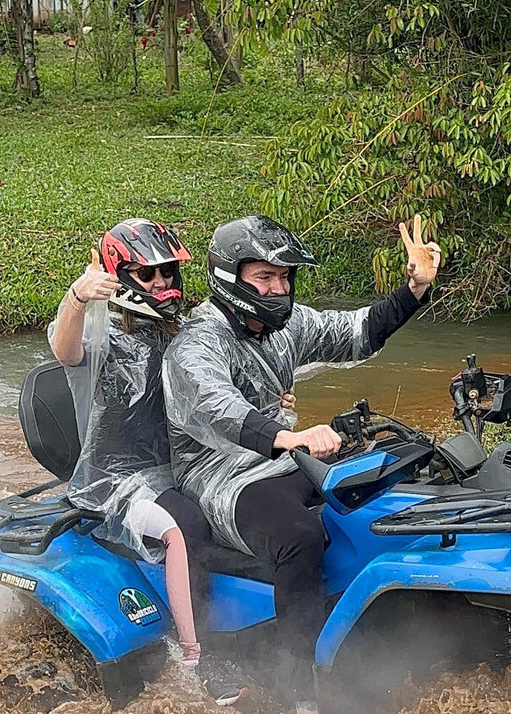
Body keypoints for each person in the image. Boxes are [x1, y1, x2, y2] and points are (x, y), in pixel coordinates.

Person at [162, 215, 441, 714]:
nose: (279, 288)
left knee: (381, 490)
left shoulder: (283, 327)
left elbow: (354, 332)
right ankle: (296, 688)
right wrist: (290, 436)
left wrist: (413, 289)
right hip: (220, 471)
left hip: (285, 454)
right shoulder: (196, 343)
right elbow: (216, 410)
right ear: (230, 277)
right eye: (265, 278)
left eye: (284, 277)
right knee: (299, 536)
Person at [49, 218, 261, 706]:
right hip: (114, 479)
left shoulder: (183, 334)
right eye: (150, 276)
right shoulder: (103, 336)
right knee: (182, 527)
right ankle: (195, 657)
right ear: (120, 276)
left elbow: (224, 390)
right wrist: (79, 297)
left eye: (168, 273)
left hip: (180, 466)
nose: (163, 283)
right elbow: (65, 349)